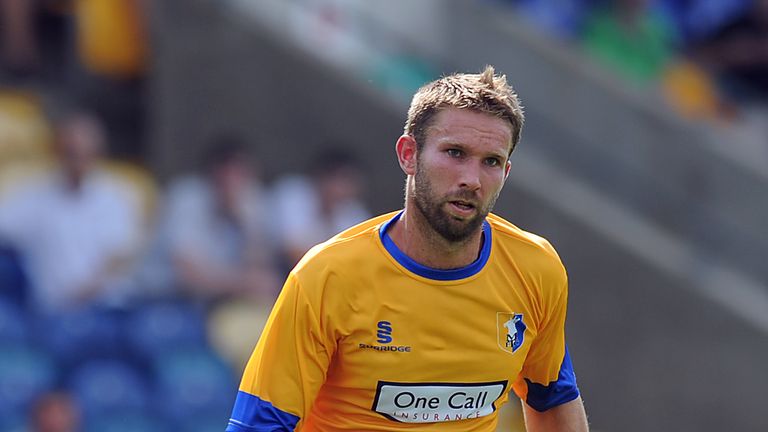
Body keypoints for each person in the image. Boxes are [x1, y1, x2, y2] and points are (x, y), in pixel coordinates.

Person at [226, 66, 589, 431]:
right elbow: (258, 425)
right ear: (408, 155)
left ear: (506, 172)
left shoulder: (536, 269)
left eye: (491, 161)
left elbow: (552, 397)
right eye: (455, 152)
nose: (472, 179)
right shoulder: (327, 277)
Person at [0, 111, 143, 312]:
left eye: (87, 154)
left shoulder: (117, 195)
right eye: (71, 153)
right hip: (54, 314)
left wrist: (84, 293)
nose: (79, 161)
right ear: (56, 152)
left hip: (109, 308)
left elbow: (119, 256)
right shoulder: (35, 196)